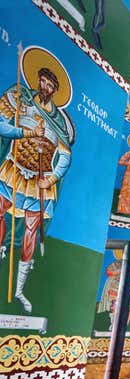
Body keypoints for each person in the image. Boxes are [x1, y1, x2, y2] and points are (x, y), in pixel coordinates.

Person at [0, 54, 75, 313]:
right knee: (0, 210)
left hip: (39, 182)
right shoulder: (20, 99)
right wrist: (25, 132)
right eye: (42, 81)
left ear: (55, 90)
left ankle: (20, 289)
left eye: (50, 85)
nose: (45, 87)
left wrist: (52, 177)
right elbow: (1, 125)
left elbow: (65, 154)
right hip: (14, 169)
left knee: (31, 230)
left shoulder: (61, 122)